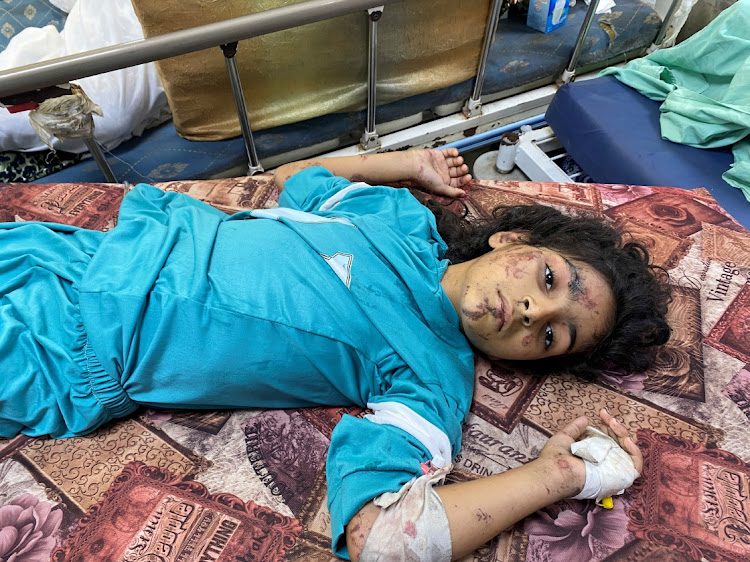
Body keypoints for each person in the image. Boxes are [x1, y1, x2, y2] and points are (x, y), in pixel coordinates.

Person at [0, 148, 670, 560]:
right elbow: (301, 179)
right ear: (511, 240)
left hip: (68, 345)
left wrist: (559, 479)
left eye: (551, 335)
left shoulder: (431, 380)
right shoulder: (401, 220)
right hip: (65, 252)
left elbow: (382, 540)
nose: (533, 312)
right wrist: (407, 166)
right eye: (550, 279)